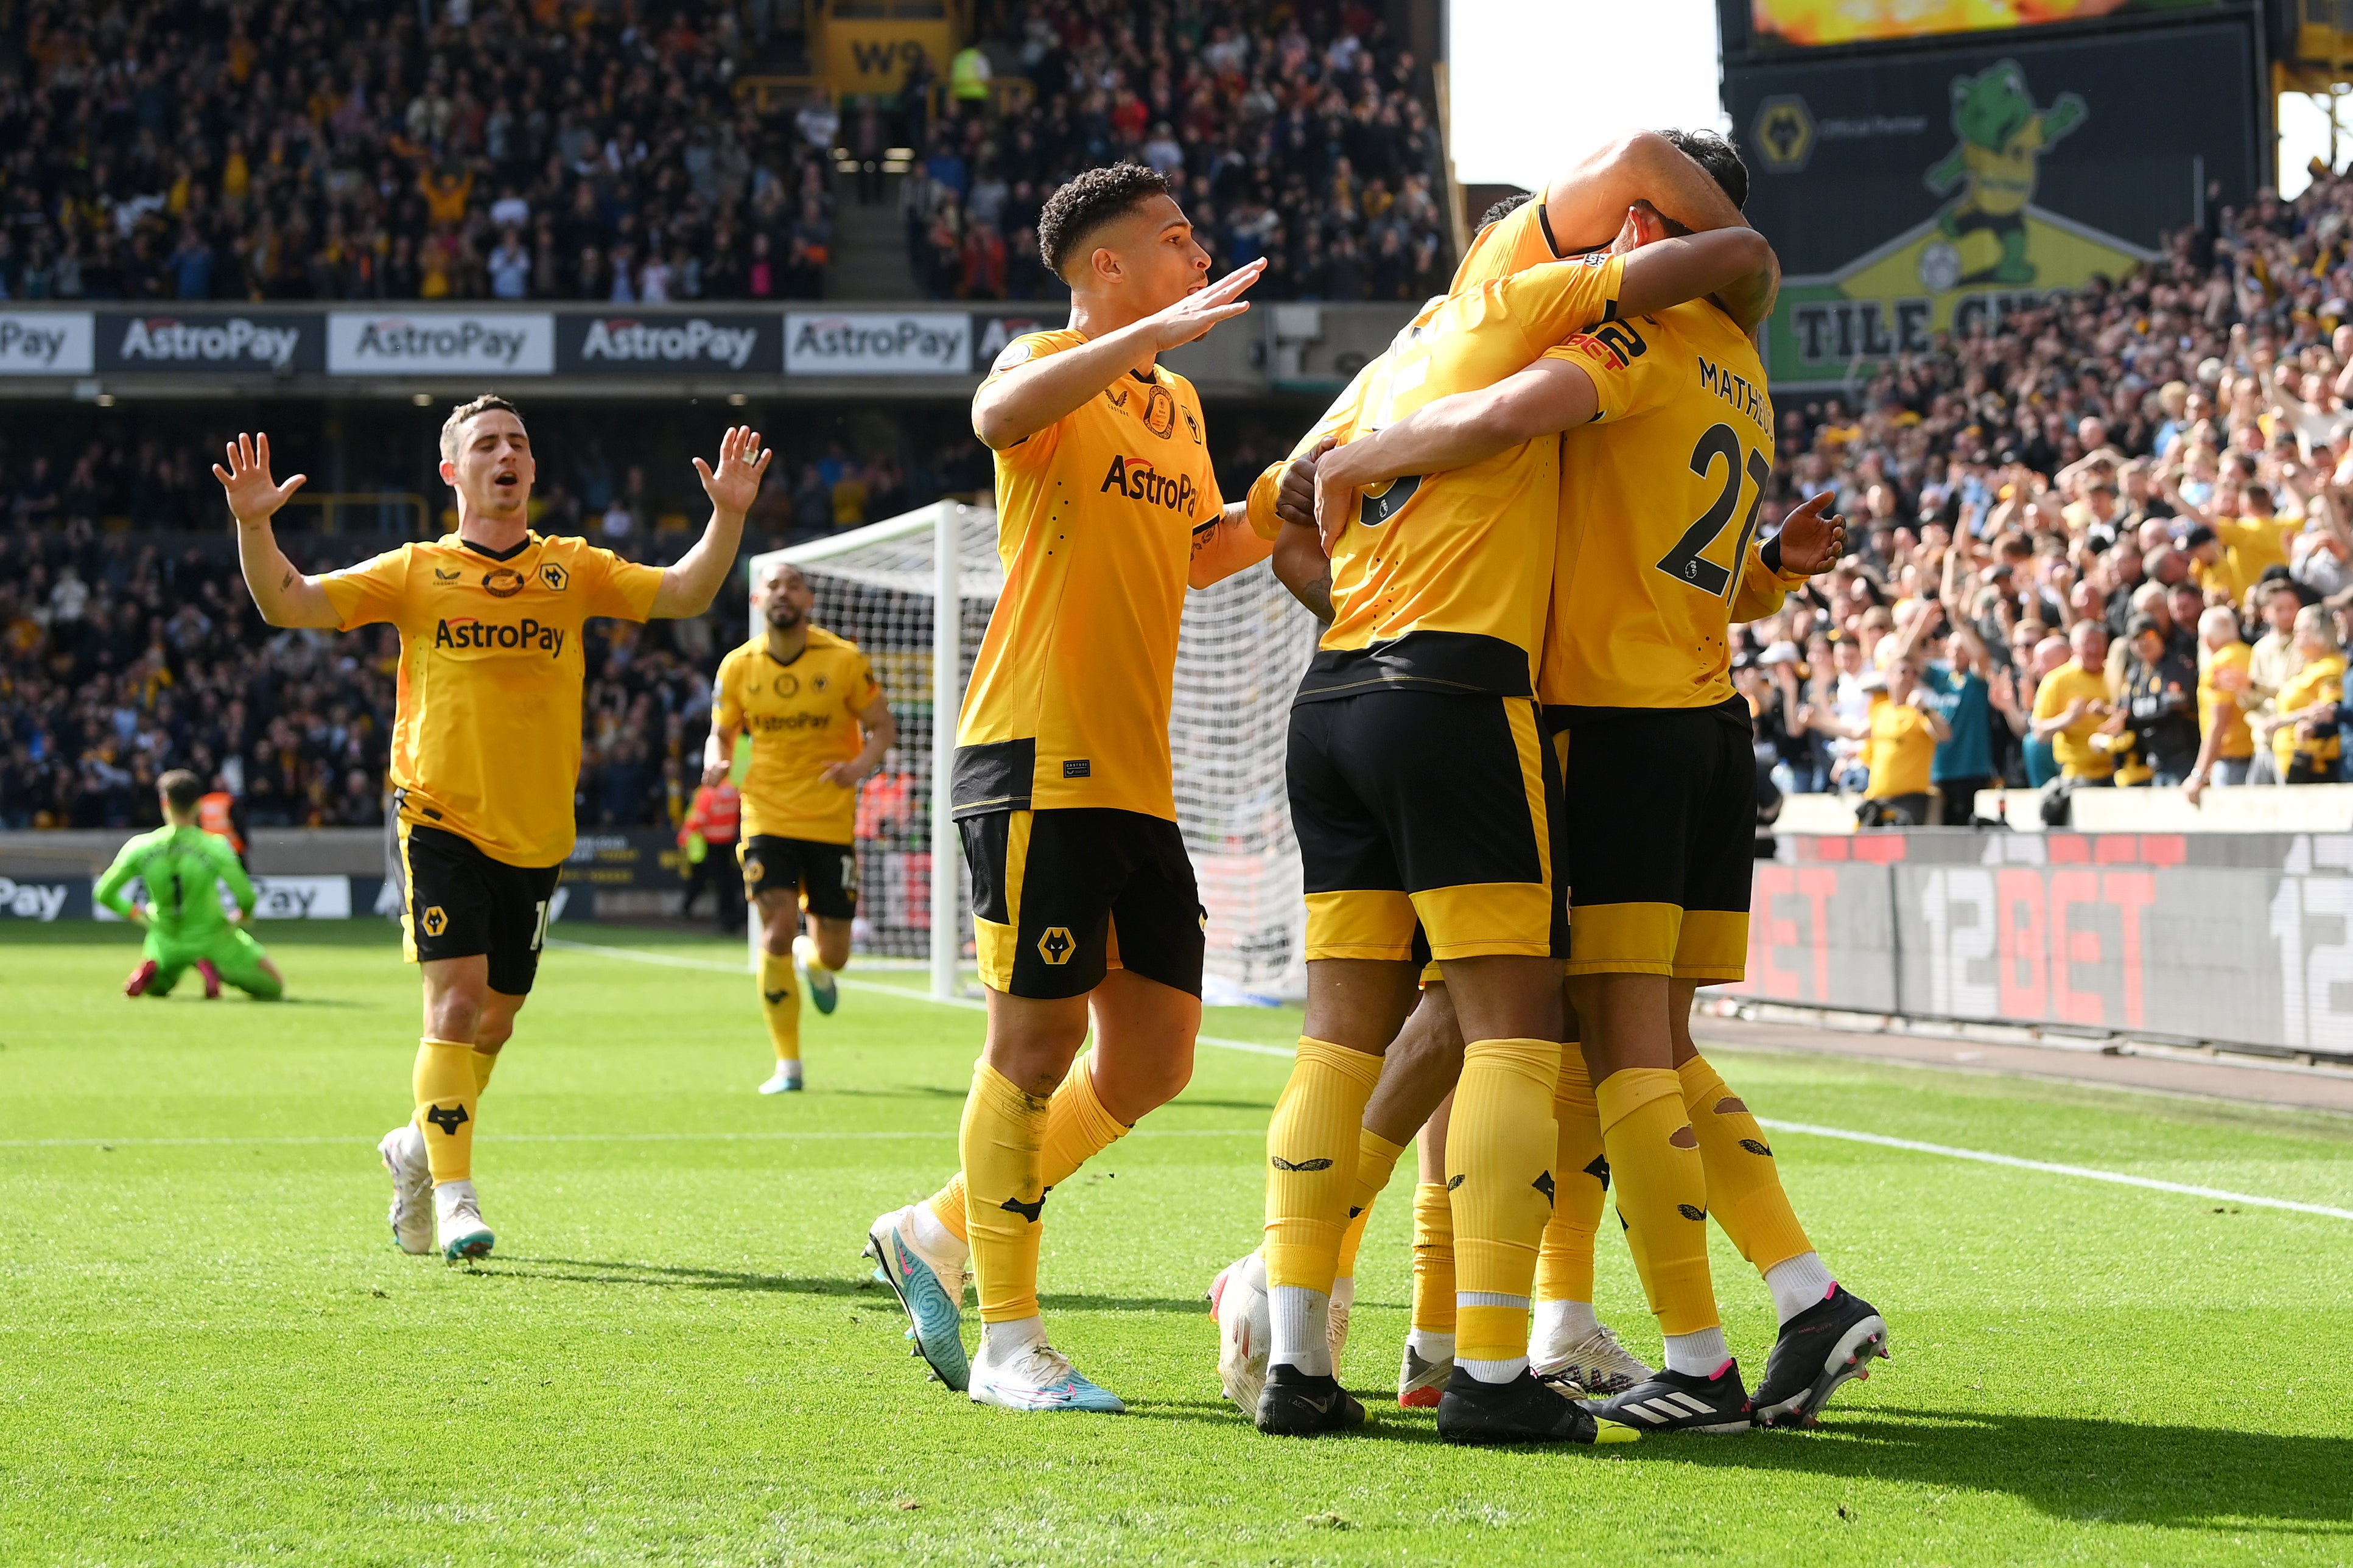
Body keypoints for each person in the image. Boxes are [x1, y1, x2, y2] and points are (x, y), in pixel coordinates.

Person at [1303, 129, 1887, 1440]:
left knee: (1508, 1030)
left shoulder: (1636, 337)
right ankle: (1518, 1326)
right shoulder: (1742, 366)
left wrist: (1362, 453)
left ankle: (1436, 1318)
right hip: (1699, 723)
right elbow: (1716, 566)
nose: (1606, 242)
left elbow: (1503, 414)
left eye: (1631, 224)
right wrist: (1780, 568)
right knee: (1604, 1046)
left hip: (1593, 724)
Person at [860, 164, 1274, 1415]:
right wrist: (1146, 336)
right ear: (1108, 266)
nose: (1199, 253)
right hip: (1034, 753)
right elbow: (997, 420)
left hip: (1134, 772)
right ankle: (1009, 1341)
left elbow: (1205, 557)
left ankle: (936, 1226)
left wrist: (1297, 496)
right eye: (1175, 237)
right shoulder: (1044, 362)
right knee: (1033, 1045)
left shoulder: (1181, 407)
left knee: (1153, 1060)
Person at [217, 399, 767, 1262]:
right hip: (438, 814)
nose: (506, 453)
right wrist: (256, 530)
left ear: (532, 470)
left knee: (495, 1024)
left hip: (539, 833)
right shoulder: (415, 571)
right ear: (453, 472)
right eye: (486, 443)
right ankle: (455, 1193)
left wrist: (728, 514)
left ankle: (414, 1147)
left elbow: (687, 591)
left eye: (518, 442)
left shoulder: (571, 568)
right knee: (457, 1002)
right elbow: (289, 602)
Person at [706, 561, 896, 1094]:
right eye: (772, 586)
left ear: (809, 600)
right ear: (756, 602)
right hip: (766, 815)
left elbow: (882, 727)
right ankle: (788, 1065)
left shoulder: (843, 660)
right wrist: (720, 765)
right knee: (775, 929)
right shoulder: (738, 667)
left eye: (792, 585)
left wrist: (857, 769)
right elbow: (723, 734)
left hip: (830, 820)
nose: (782, 593)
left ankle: (814, 964)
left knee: (834, 951)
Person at [98, 768, 285, 1003]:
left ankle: (154, 969)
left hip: (166, 936)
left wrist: (137, 914)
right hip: (212, 936)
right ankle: (211, 967)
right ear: (199, 805)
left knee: (158, 988)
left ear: (165, 803)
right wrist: (242, 916)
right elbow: (246, 896)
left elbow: (104, 893)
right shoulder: (215, 847)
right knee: (273, 987)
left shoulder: (140, 847)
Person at [2259, 604, 2347, 784]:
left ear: (2319, 631)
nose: (2295, 634)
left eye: (2301, 630)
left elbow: (2330, 709)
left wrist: (2287, 720)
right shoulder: (2309, 667)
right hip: (2291, 762)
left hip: (2317, 765)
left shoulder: (2332, 668)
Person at [2113, 614, 2200, 786]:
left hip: (2182, 758)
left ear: (2160, 637)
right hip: (2153, 762)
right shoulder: (2135, 674)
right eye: (2136, 638)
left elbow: (2175, 712)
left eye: (2149, 635)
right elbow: (2125, 712)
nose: (2143, 642)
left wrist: (2130, 723)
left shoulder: (2176, 667)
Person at [2031, 620, 2119, 786]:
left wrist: (2108, 712)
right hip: (2077, 775)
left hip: (2116, 770)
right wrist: (2069, 718)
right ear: (2074, 649)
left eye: (2098, 643)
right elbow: (2039, 733)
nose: (2094, 649)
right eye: (2087, 644)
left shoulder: (2116, 674)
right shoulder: (2057, 680)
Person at [2185, 606, 2257, 803]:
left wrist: (2199, 773)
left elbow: (2219, 723)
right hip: (2256, 755)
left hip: (2232, 762)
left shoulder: (2218, 666)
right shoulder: (2250, 653)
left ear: (2206, 639)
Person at [675, 772, 742, 934]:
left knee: (714, 880)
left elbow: (699, 818)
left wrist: (684, 837)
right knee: (723, 881)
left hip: (710, 842)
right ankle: (728, 918)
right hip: (728, 841)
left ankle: (728, 920)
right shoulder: (733, 790)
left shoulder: (708, 792)